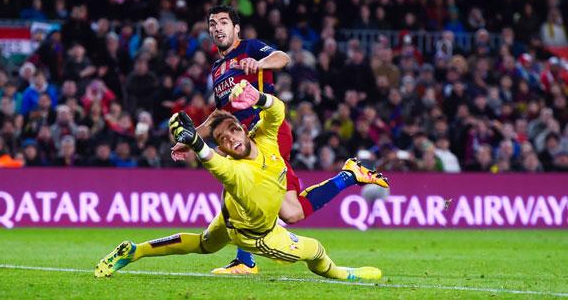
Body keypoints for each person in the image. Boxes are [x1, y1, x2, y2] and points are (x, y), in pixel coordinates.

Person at [95, 81, 388, 281]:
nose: (231, 139)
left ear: (243, 130)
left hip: (228, 220)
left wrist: (258, 98)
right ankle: (343, 274)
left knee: (204, 244)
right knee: (317, 251)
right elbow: (213, 162)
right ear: (220, 146)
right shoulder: (234, 170)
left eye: (233, 131)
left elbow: (277, 112)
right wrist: (196, 143)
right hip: (257, 235)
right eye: (222, 139)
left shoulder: (265, 140)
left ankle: (136, 250)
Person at [174, 5, 370, 275]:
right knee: (290, 213)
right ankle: (348, 176)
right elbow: (220, 113)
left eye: (223, 22)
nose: (217, 28)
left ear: (236, 28)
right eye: (212, 23)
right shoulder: (218, 68)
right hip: (245, 140)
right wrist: (193, 136)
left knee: (242, 188)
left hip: (267, 133)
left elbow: (283, 58)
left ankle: (245, 261)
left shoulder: (250, 48)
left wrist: (260, 63)